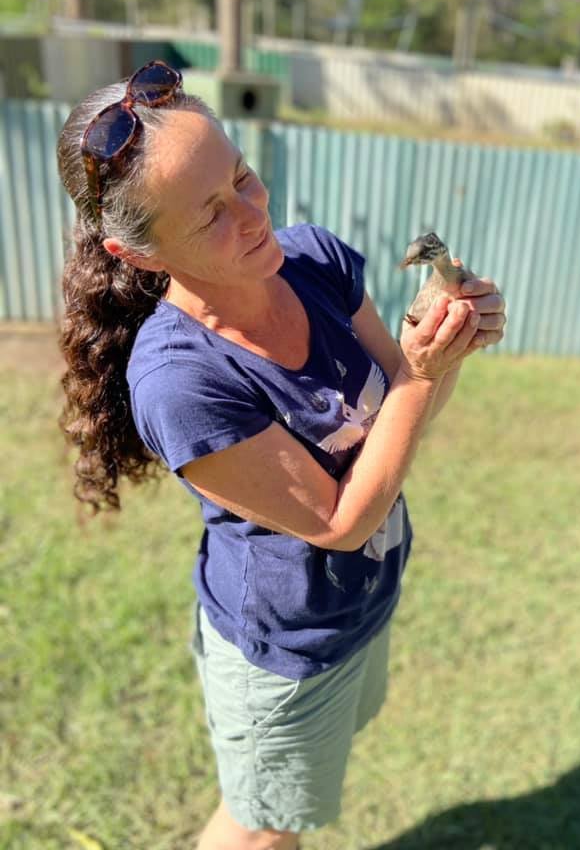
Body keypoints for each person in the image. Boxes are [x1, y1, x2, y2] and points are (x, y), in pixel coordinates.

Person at [56, 60, 507, 850]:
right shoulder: (180, 381)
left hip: (360, 604)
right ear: (141, 254)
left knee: (283, 808)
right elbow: (335, 519)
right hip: (286, 649)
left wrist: (446, 347)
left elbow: (400, 413)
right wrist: (419, 379)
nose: (254, 217)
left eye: (243, 178)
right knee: (261, 829)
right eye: (210, 217)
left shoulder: (315, 260)